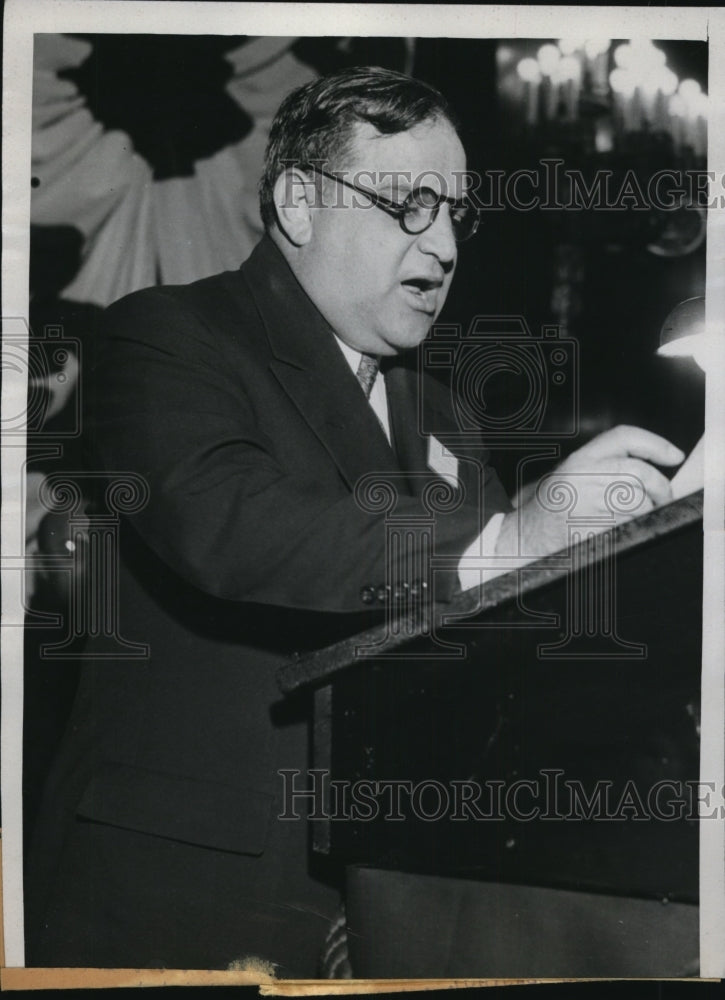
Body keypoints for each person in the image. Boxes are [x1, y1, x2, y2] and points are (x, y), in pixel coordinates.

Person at [24, 66, 684, 976]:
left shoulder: (448, 416)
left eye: (455, 212)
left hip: (400, 899)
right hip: (182, 900)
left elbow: (483, 645)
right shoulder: (166, 336)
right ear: (298, 202)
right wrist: (514, 538)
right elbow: (232, 526)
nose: (444, 243)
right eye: (410, 202)